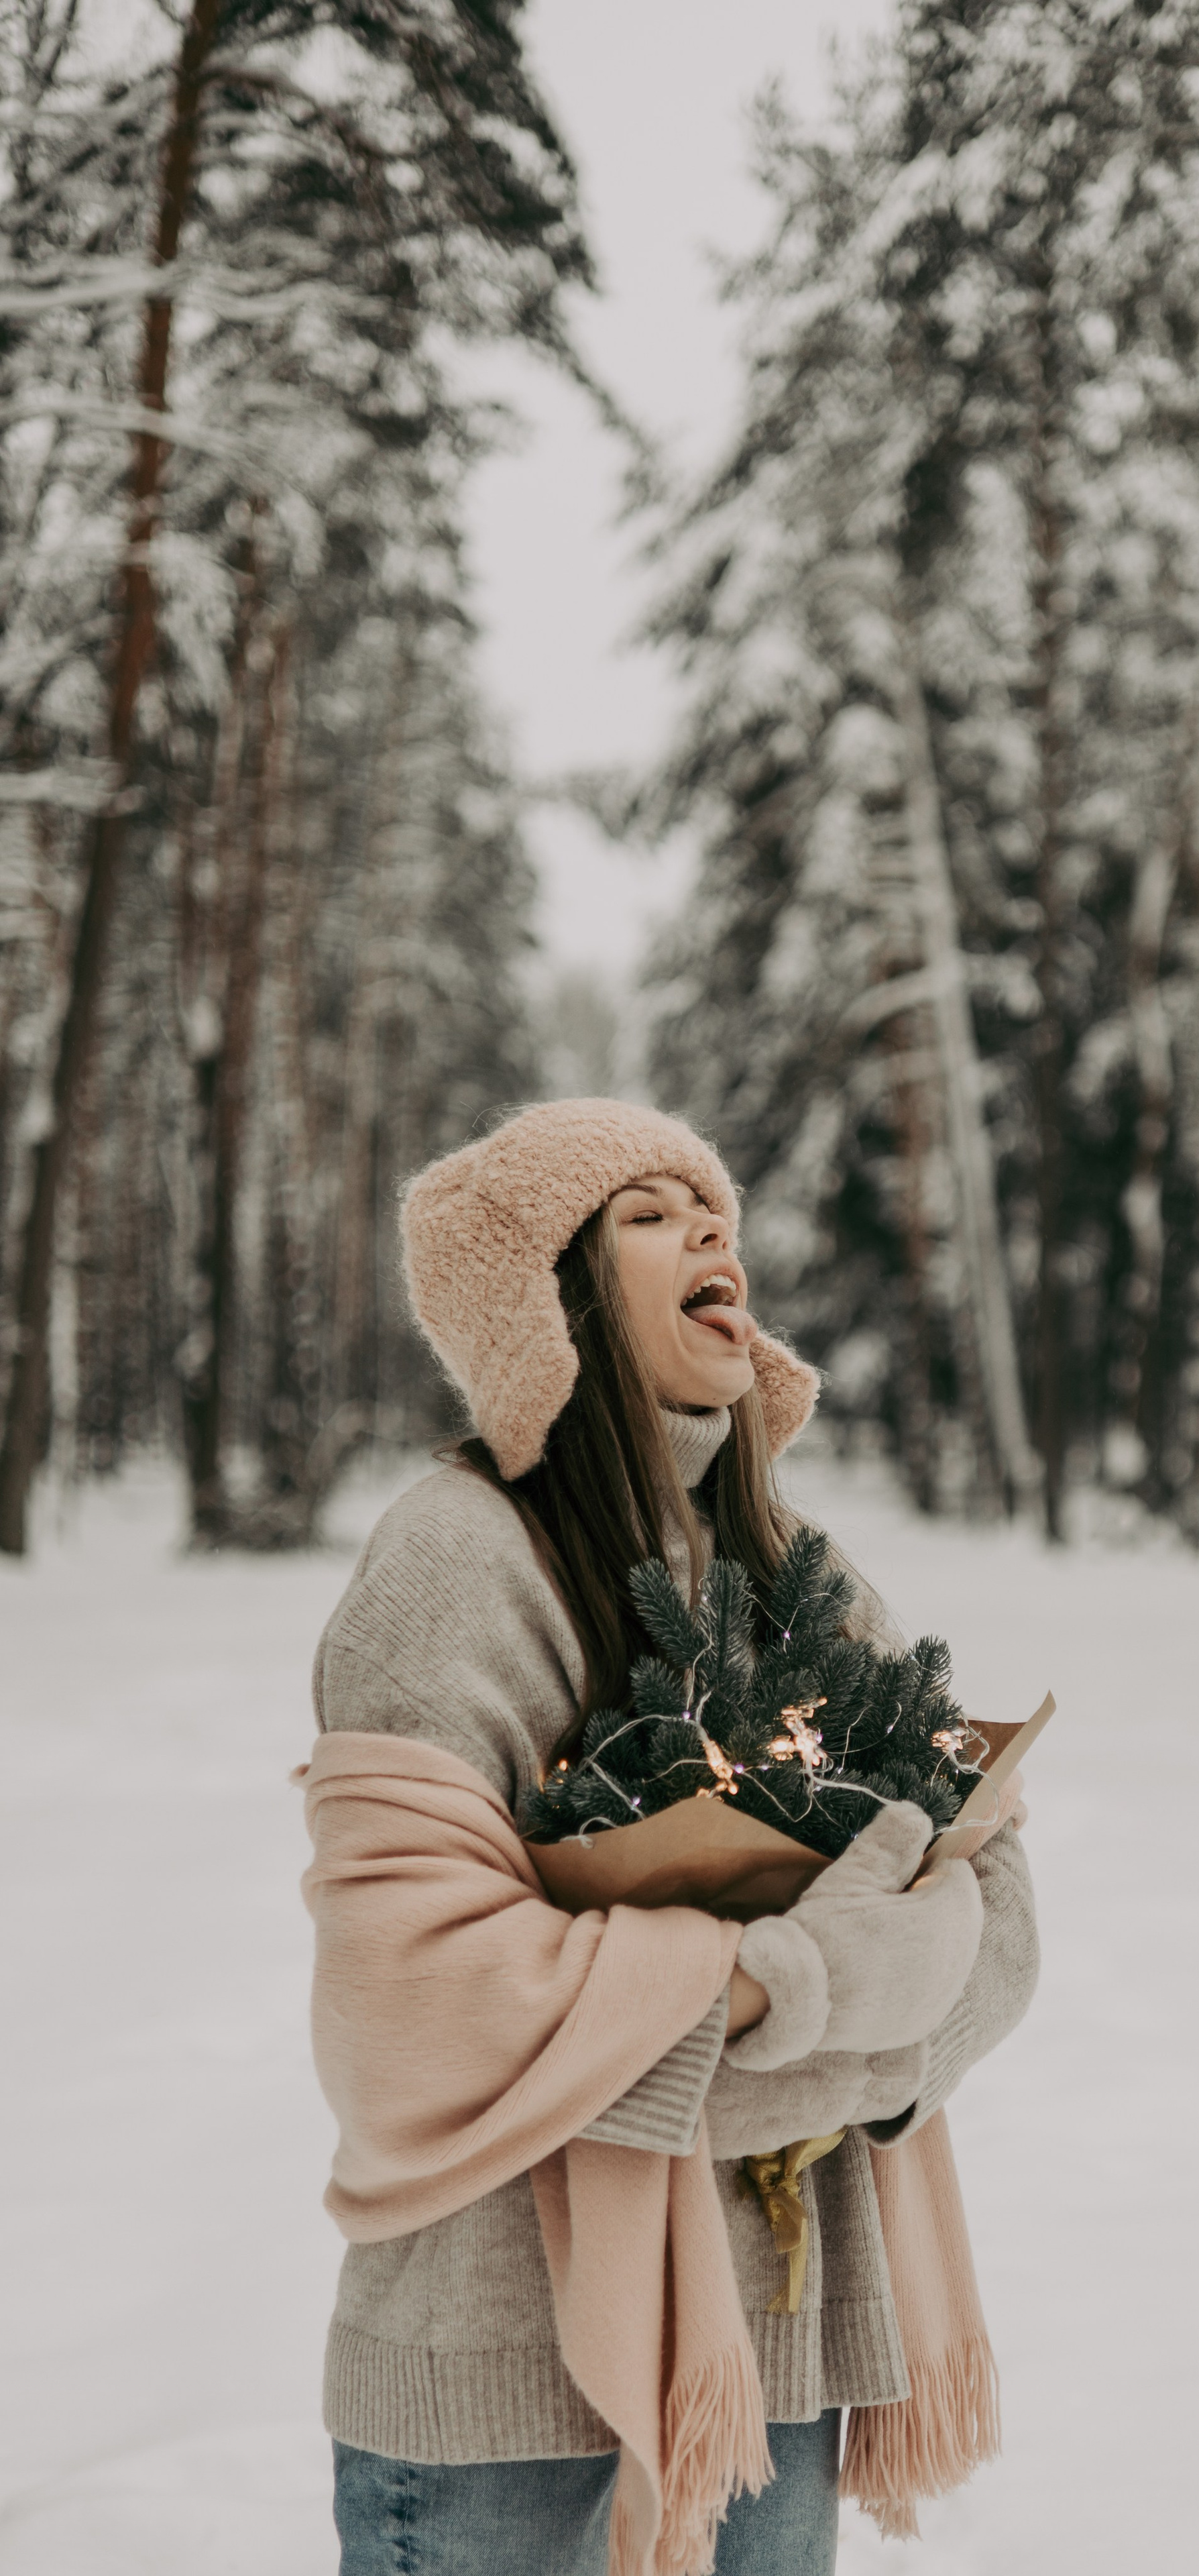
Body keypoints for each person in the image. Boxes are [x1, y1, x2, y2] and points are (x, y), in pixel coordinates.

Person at [300, 1099, 1039, 2576]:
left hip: (775, 2379)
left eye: (711, 1208)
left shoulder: (791, 1565)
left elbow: (995, 1911)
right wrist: (792, 1993)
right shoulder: (455, 1563)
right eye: (646, 1214)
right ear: (543, 1300)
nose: (714, 1229)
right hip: (505, 2414)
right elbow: (412, 2018)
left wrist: (778, 2021)